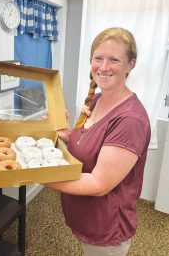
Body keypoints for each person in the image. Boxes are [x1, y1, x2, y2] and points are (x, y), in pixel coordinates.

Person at [46, 27, 151, 256]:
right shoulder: (97, 100)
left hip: (105, 227)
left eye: (114, 59)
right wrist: (66, 135)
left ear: (130, 64)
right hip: (84, 215)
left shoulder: (130, 120)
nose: (103, 67)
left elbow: (98, 183)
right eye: (98, 58)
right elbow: (87, 144)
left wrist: (39, 177)